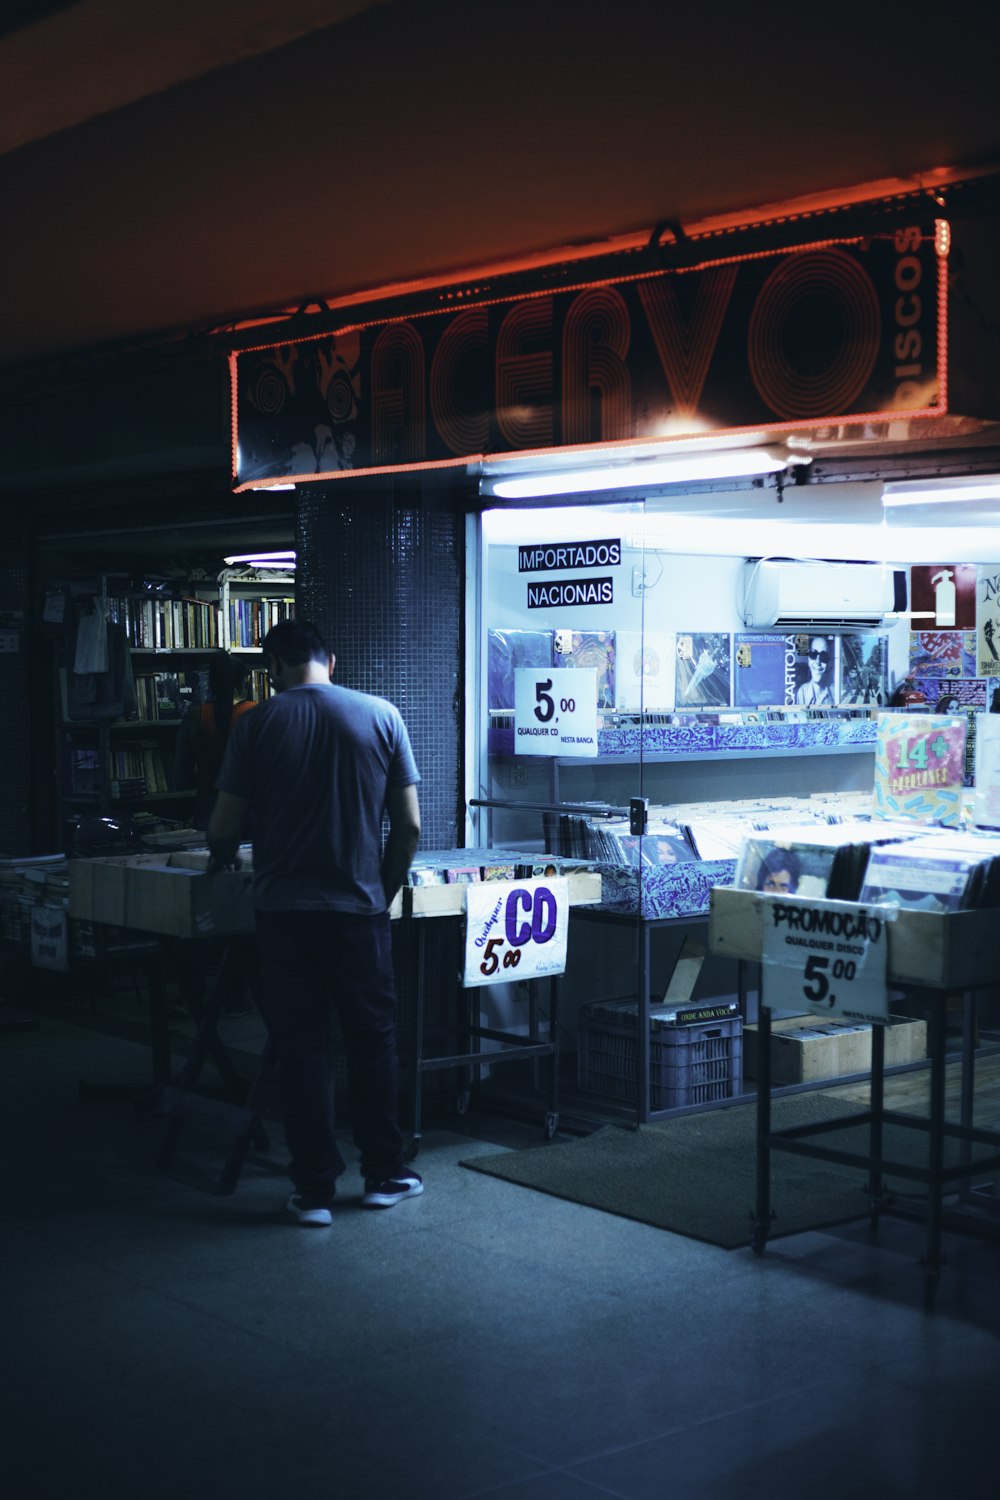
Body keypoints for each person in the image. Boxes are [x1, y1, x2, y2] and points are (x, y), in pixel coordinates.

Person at [207, 619, 422, 1227]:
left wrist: (224, 851)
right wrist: (378, 892)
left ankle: (313, 1192)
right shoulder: (382, 716)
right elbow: (407, 828)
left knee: (303, 1050)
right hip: (358, 914)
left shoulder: (256, 725)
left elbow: (224, 829)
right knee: (372, 1042)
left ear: (273, 666)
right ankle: (384, 1173)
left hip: (282, 917)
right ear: (333, 659)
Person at [174, 652, 258, 829]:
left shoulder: (195, 716)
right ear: (244, 681)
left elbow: (181, 777)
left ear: (210, 683)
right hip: (250, 810)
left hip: (208, 810)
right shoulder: (257, 713)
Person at [795, 636, 834, 706]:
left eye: (823, 656)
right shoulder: (802, 692)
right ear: (808, 660)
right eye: (813, 654)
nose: (818, 661)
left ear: (829, 663)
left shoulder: (835, 692)